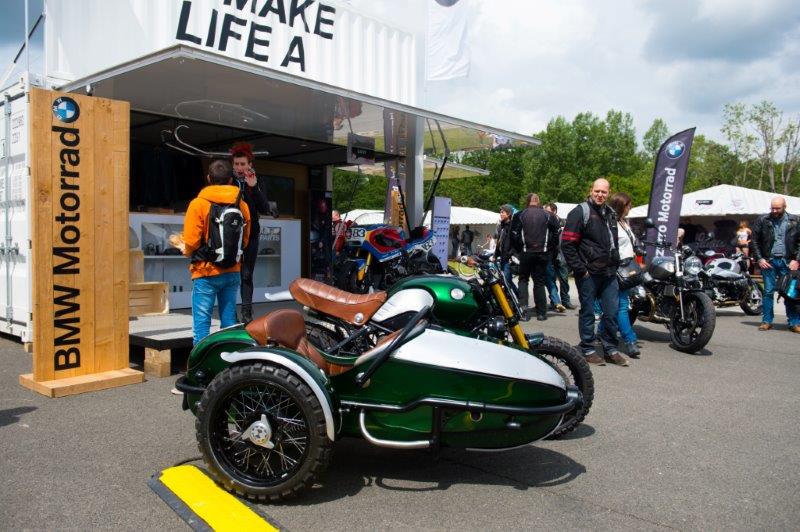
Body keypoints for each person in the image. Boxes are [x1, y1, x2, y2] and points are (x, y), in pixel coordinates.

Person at [183, 160, 251, 345]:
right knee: (229, 323)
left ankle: (200, 368)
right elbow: (245, 240)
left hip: (205, 272)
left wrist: (186, 250)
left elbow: (190, 241)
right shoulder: (242, 205)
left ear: (208, 178)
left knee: (202, 325)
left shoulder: (198, 204)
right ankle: (228, 365)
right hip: (232, 270)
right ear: (230, 180)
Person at [561, 178, 626, 366]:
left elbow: (611, 242)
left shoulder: (610, 212)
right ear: (591, 190)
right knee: (588, 312)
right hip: (588, 273)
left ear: (609, 193)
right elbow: (567, 244)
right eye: (597, 191)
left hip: (609, 273)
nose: (600, 195)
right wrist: (581, 270)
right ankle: (588, 348)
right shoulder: (580, 212)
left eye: (604, 192)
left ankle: (610, 349)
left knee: (612, 313)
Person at [230, 142, 271, 323]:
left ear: (250, 165)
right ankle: (230, 313)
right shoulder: (227, 180)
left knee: (247, 274)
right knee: (230, 275)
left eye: (243, 164)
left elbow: (264, 208)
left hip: (251, 233)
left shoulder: (257, 181)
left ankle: (247, 313)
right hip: (230, 235)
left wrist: (253, 187)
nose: (239, 168)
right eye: (237, 164)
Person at [750, 196, 800, 333]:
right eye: (772, 207)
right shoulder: (762, 220)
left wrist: (797, 260)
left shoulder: (795, 220)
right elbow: (754, 241)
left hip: (788, 262)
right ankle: (767, 321)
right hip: (769, 261)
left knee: (791, 293)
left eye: (777, 208)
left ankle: (794, 322)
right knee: (768, 292)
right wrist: (760, 259)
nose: (774, 210)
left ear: (785, 207)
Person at [602, 192, 641, 358]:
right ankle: (630, 339)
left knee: (615, 307)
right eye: (628, 205)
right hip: (616, 269)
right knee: (622, 306)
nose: (630, 207)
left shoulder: (625, 222)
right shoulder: (610, 223)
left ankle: (600, 330)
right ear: (621, 206)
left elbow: (630, 243)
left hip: (628, 267)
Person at [511, 193, 560, 321]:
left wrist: (519, 249)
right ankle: (541, 313)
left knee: (523, 280)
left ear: (528, 201)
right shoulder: (548, 215)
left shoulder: (520, 215)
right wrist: (549, 249)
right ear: (538, 202)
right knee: (539, 282)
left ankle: (523, 311)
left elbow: (514, 235)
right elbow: (556, 233)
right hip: (542, 253)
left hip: (526, 252)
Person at [543, 203, 568, 312]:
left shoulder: (562, 223)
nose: (545, 213)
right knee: (550, 278)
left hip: (560, 254)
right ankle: (555, 302)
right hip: (550, 255)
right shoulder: (544, 222)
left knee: (564, 278)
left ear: (554, 211)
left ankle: (565, 300)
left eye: (547, 211)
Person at [495, 205, 517, 293]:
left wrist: (510, 254)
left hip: (508, 258)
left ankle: (515, 297)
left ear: (508, 214)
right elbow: (499, 241)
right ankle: (516, 296)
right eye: (500, 212)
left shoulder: (512, 226)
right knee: (505, 280)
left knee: (507, 280)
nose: (500, 214)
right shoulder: (502, 225)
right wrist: (495, 255)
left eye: (502, 212)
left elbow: (516, 243)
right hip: (502, 257)